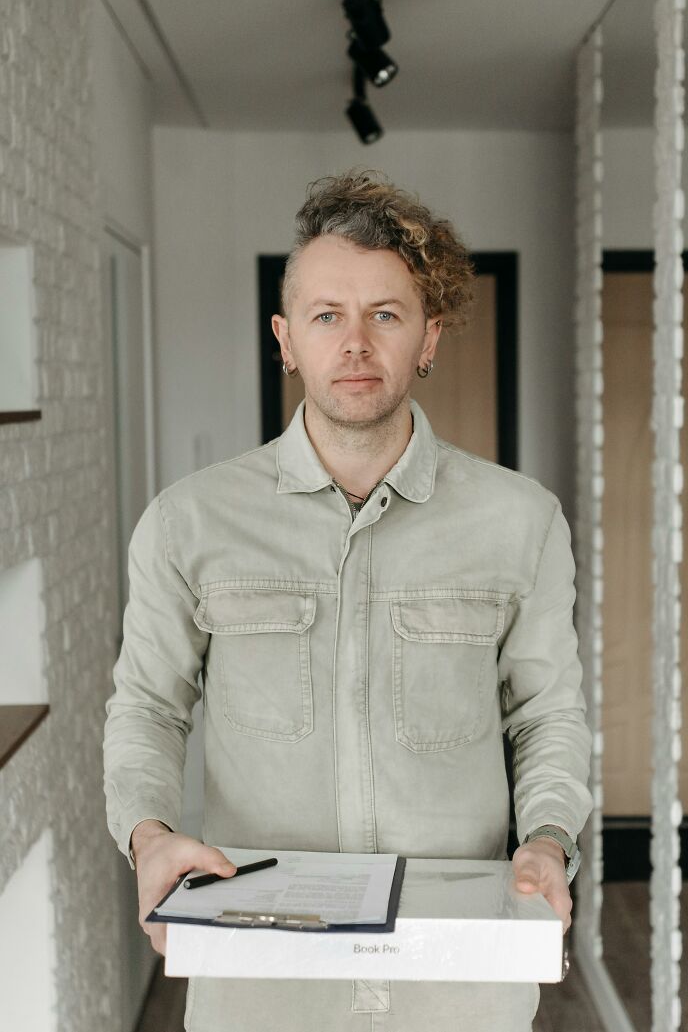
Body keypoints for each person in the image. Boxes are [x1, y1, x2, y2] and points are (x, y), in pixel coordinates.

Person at [104, 170, 592, 1032]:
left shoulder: (523, 521)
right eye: (328, 315)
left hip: (459, 986)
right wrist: (147, 835)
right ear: (286, 339)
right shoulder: (186, 523)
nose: (356, 343)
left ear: (429, 338)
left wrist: (550, 836)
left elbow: (547, 712)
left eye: (387, 314)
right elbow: (147, 704)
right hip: (264, 984)